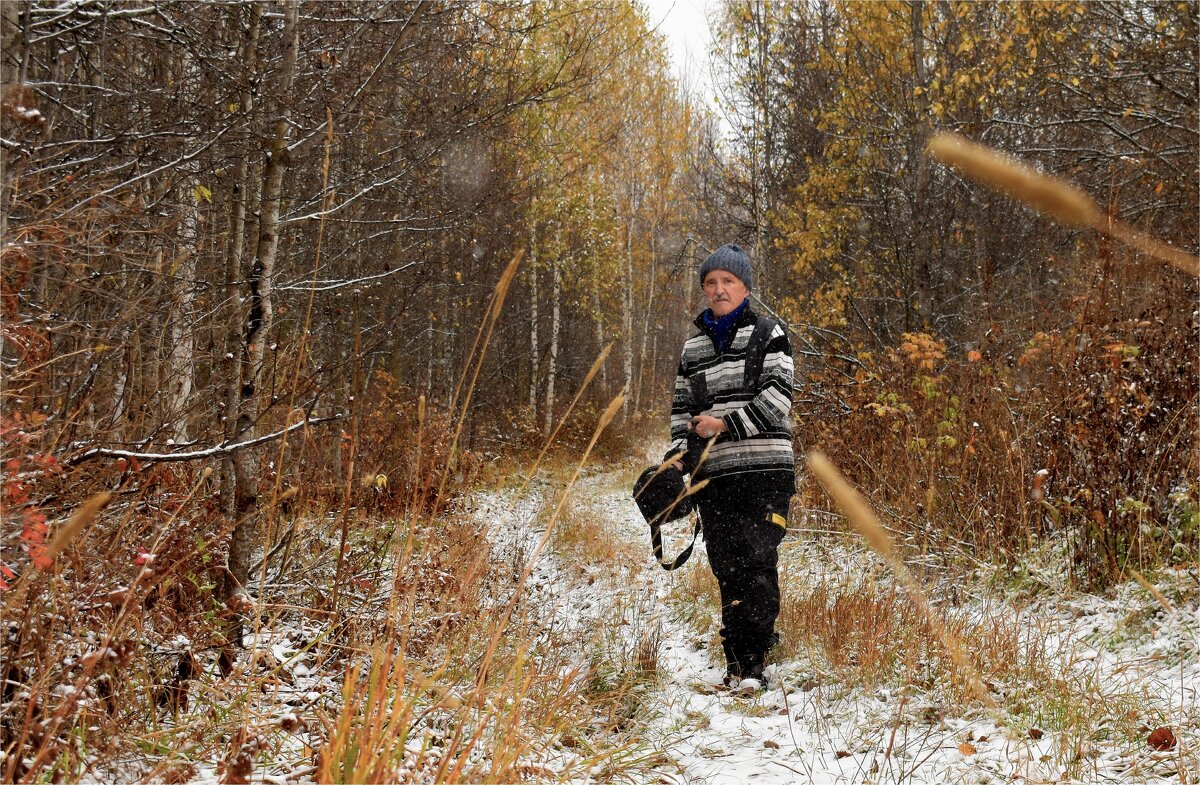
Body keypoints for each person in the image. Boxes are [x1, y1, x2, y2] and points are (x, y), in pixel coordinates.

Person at [666, 243, 795, 688]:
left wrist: (723, 424)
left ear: (745, 288)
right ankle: (735, 661)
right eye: (711, 282)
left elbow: (777, 400)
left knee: (757, 561)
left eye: (728, 281)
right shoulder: (693, 347)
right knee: (727, 566)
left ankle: (754, 662)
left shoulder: (769, 333)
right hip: (714, 478)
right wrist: (675, 466)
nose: (719, 290)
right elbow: (682, 415)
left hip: (765, 473)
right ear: (704, 289)